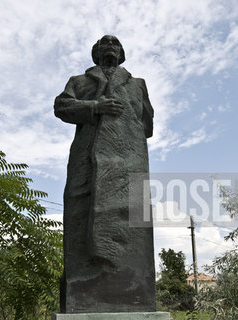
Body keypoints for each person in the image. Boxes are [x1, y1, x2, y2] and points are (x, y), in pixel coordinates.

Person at [55, 35, 155, 313]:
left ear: (122, 53)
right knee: (81, 213)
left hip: (130, 161)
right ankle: (89, 277)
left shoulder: (138, 85)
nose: (110, 45)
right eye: (104, 43)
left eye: (115, 43)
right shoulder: (79, 81)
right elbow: (61, 107)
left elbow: (147, 124)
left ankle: (130, 284)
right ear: (95, 53)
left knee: (133, 221)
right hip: (87, 159)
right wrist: (95, 107)